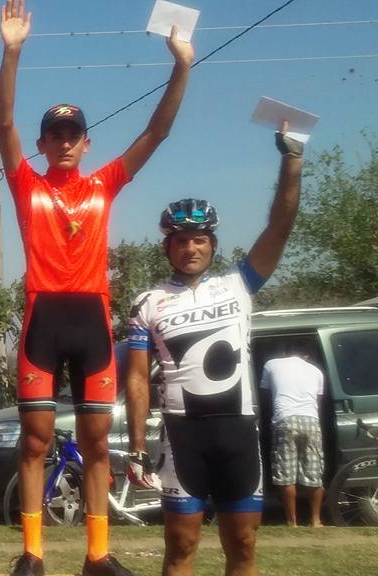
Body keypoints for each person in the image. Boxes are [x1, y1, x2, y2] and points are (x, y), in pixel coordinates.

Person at [0, 1, 192, 574]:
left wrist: (181, 66)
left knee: (99, 442)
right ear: (42, 143)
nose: (63, 142)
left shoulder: (105, 183)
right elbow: (3, 124)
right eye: (53, 134)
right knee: (34, 441)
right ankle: (32, 553)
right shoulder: (26, 183)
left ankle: (97, 555)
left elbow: (157, 131)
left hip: (91, 320)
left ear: (85, 143)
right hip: (44, 316)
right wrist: (12, 52)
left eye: (72, 134)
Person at [125, 125, 304, 575]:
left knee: (243, 544)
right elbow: (137, 378)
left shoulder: (239, 284)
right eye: (181, 240)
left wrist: (292, 159)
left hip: (238, 431)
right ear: (168, 247)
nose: (190, 248)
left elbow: (280, 227)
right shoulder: (148, 302)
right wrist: (136, 447)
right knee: (180, 547)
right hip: (182, 435)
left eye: (199, 239)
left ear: (213, 245)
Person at [259, 344, 326, 527]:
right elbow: (318, 402)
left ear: (284, 353)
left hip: (285, 419)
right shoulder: (316, 371)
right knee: (314, 472)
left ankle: (292, 522)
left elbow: (264, 396)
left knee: (286, 474)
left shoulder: (271, 364)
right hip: (311, 420)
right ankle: (316, 520)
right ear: (306, 355)